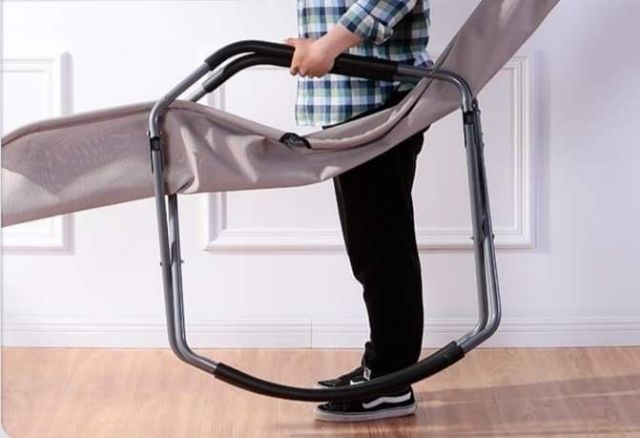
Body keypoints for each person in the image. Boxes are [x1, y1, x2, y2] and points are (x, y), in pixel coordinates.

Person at [285, 0, 432, 422]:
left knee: (381, 250)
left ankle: (390, 381)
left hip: (378, 100)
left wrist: (327, 46)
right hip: (356, 100)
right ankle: (381, 368)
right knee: (373, 247)